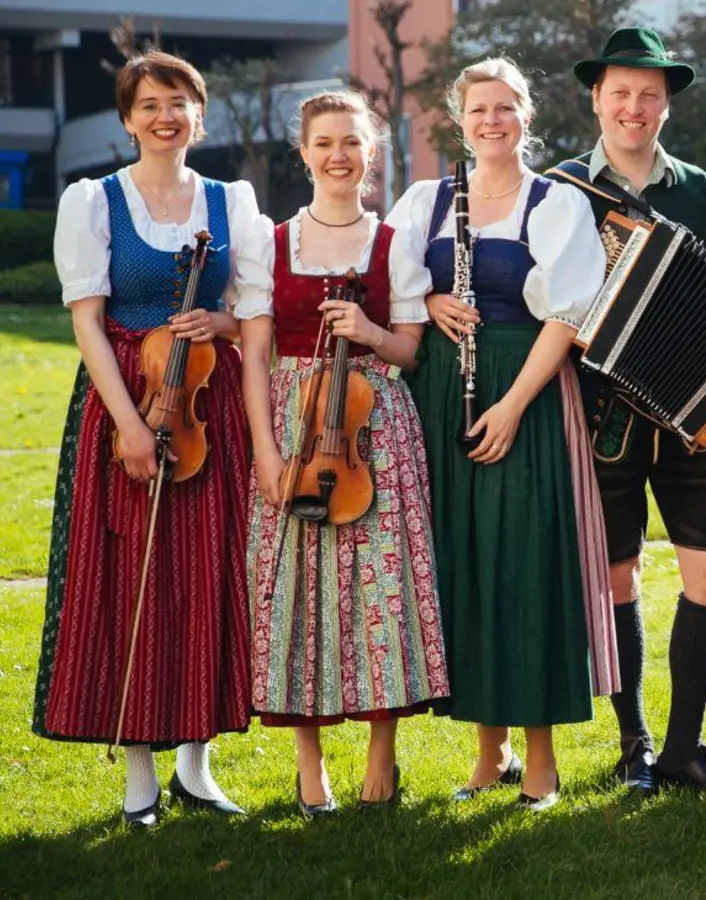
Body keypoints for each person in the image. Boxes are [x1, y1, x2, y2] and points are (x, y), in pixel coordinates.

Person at [31, 50, 270, 828]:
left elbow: (251, 314)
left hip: (210, 401)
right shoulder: (93, 200)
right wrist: (129, 426)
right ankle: (138, 777)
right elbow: (87, 324)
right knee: (126, 574)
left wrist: (221, 321)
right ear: (128, 120)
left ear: (199, 115)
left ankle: (196, 768)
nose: (165, 116)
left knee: (207, 573)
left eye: (179, 103)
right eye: (149, 104)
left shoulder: (232, 201)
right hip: (125, 400)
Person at [546, 26, 706, 796]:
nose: (634, 107)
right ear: (596, 99)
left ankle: (683, 748)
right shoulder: (561, 188)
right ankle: (633, 743)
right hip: (598, 413)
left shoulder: (704, 192)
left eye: (649, 95)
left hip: (693, 410)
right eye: (620, 93)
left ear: (666, 105)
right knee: (616, 578)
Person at [393, 57, 615, 812]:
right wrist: (425, 301)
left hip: (525, 391)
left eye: (505, 109)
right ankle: (490, 753)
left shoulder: (555, 203)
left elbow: (567, 316)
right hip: (440, 396)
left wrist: (516, 404)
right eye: (478, 109)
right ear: (459, 119)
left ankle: (544, 759)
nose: (492, 122)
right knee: (465, 565)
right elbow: (386, 285)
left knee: (527, 565)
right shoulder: (426, 200)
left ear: (526, 115)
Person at [240, 90, 449, 817]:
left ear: (371, 153)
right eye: (324, 143)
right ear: (303, 152)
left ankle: (382, 755)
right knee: (295, 593)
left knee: (381, 594)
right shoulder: (269, 243)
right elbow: (255, 357)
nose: (338, 156)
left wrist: (367, 329)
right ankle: (308, 764)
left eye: (352, 143)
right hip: (294, 429)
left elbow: (412, 351)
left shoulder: (396, 242)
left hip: (374, 430)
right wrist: (266, 452)